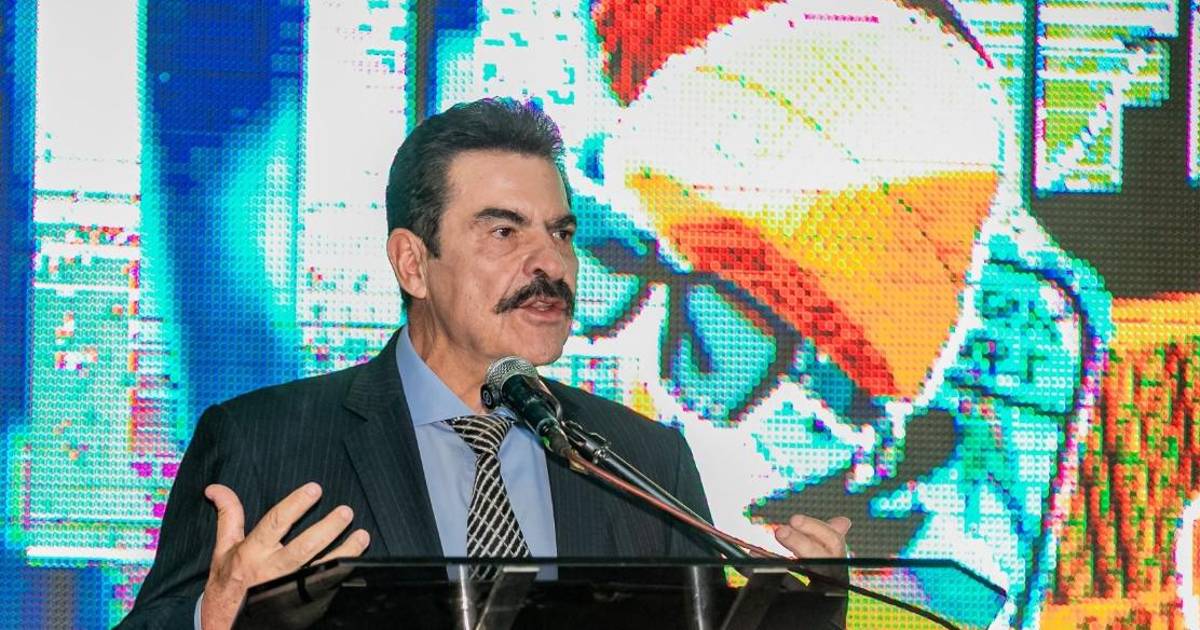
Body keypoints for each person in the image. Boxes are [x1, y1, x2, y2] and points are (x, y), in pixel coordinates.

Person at [116, 98, 850, 630]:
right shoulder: (264, 441)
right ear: (413, 262)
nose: (550, 263)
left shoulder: (643, 461)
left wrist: (799, 614)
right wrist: (212, 616)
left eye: (561, 233)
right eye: (504, 231)